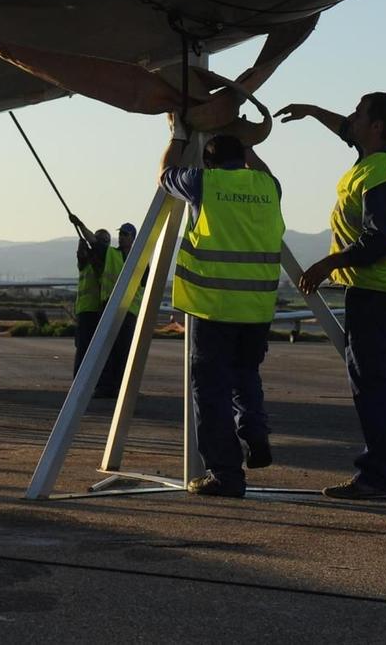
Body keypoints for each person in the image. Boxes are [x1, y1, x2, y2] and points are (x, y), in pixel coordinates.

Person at [281, 92, 386, 500]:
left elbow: (378, 240)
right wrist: (309, 112)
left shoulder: (377, 176)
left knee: (371, 381)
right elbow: (344, 130)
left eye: (358, 113)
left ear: (375, 126)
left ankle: (377, 474)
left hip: (373, 290)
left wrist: (328, 264)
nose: (350, 117)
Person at [163, 112, 283, 498]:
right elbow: (260, 168)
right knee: (245, 375)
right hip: (257, 308)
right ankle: (256, 435)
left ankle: (225, 474)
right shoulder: (269, 186)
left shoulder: (204, 182)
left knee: (210, 389)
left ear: (209, 162)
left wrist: (178, 136)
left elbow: (166, 174)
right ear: (243, 157)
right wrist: (243, 139)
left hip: (214, 307)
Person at [93, 222, 139, 399]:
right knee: (107, 351)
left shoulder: (140, 258)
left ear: (133, 238)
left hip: (129, 311)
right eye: (120, 234)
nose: (121, 237)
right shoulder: (111, 253)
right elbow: (95, 244)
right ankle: (106, 387)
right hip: (110, 309)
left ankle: (121, 387)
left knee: (124, 351)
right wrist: (81, 225)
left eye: (125, 234)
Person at [72, 228, 111, 374]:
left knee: (86, 349)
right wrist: (82, 247)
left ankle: (83, 380)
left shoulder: (103, 260)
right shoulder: (87, 261)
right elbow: (81, 258)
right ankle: (82, 379)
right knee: (84, 348)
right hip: (88, 310)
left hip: (92, 311)